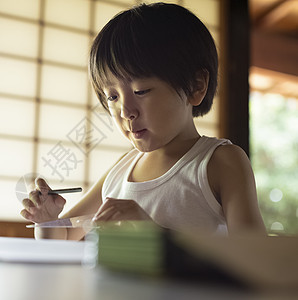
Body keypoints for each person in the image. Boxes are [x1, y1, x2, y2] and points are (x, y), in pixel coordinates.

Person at [20, 2, 266, 240]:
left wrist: (153, 234)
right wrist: (48, 219)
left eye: (141, 91)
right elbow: (63, 237)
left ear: (196, 85)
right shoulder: (122, 169)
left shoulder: (219, 163)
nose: (126, 111)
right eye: (112, 96)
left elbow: (255, 258)